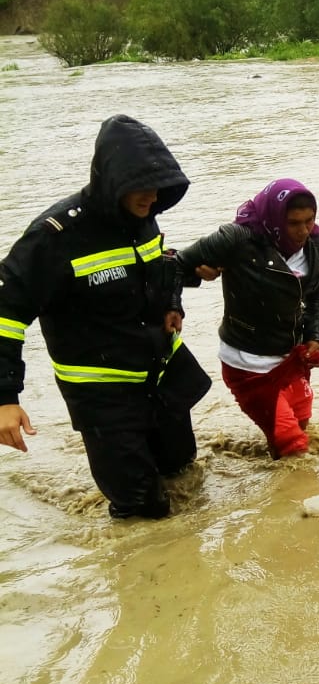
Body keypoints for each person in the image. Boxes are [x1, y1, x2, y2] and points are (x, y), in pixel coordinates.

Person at [0, 114, 211, 519]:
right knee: (144, 511)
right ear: (113, 180)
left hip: (159, 376)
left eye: (159, 186)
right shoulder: (54, 237)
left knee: (182, 470)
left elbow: (158, 267)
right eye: (142, 186)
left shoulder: (143, 217)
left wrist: (173, 301)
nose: (152, 196)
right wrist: (5, 398)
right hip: (104, 397)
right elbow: (6, 312)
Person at [177, 179, 319, 459]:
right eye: (294, 223)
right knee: (292, 447)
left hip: (290, 359)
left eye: (310, 220)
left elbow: (316, 297)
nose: (304, 231)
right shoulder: (237, 239)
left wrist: (315, 338)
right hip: (248, 364)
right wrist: (196, 278)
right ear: (275, 218)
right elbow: (174, 264)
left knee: (301, 430)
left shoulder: (313, 244)